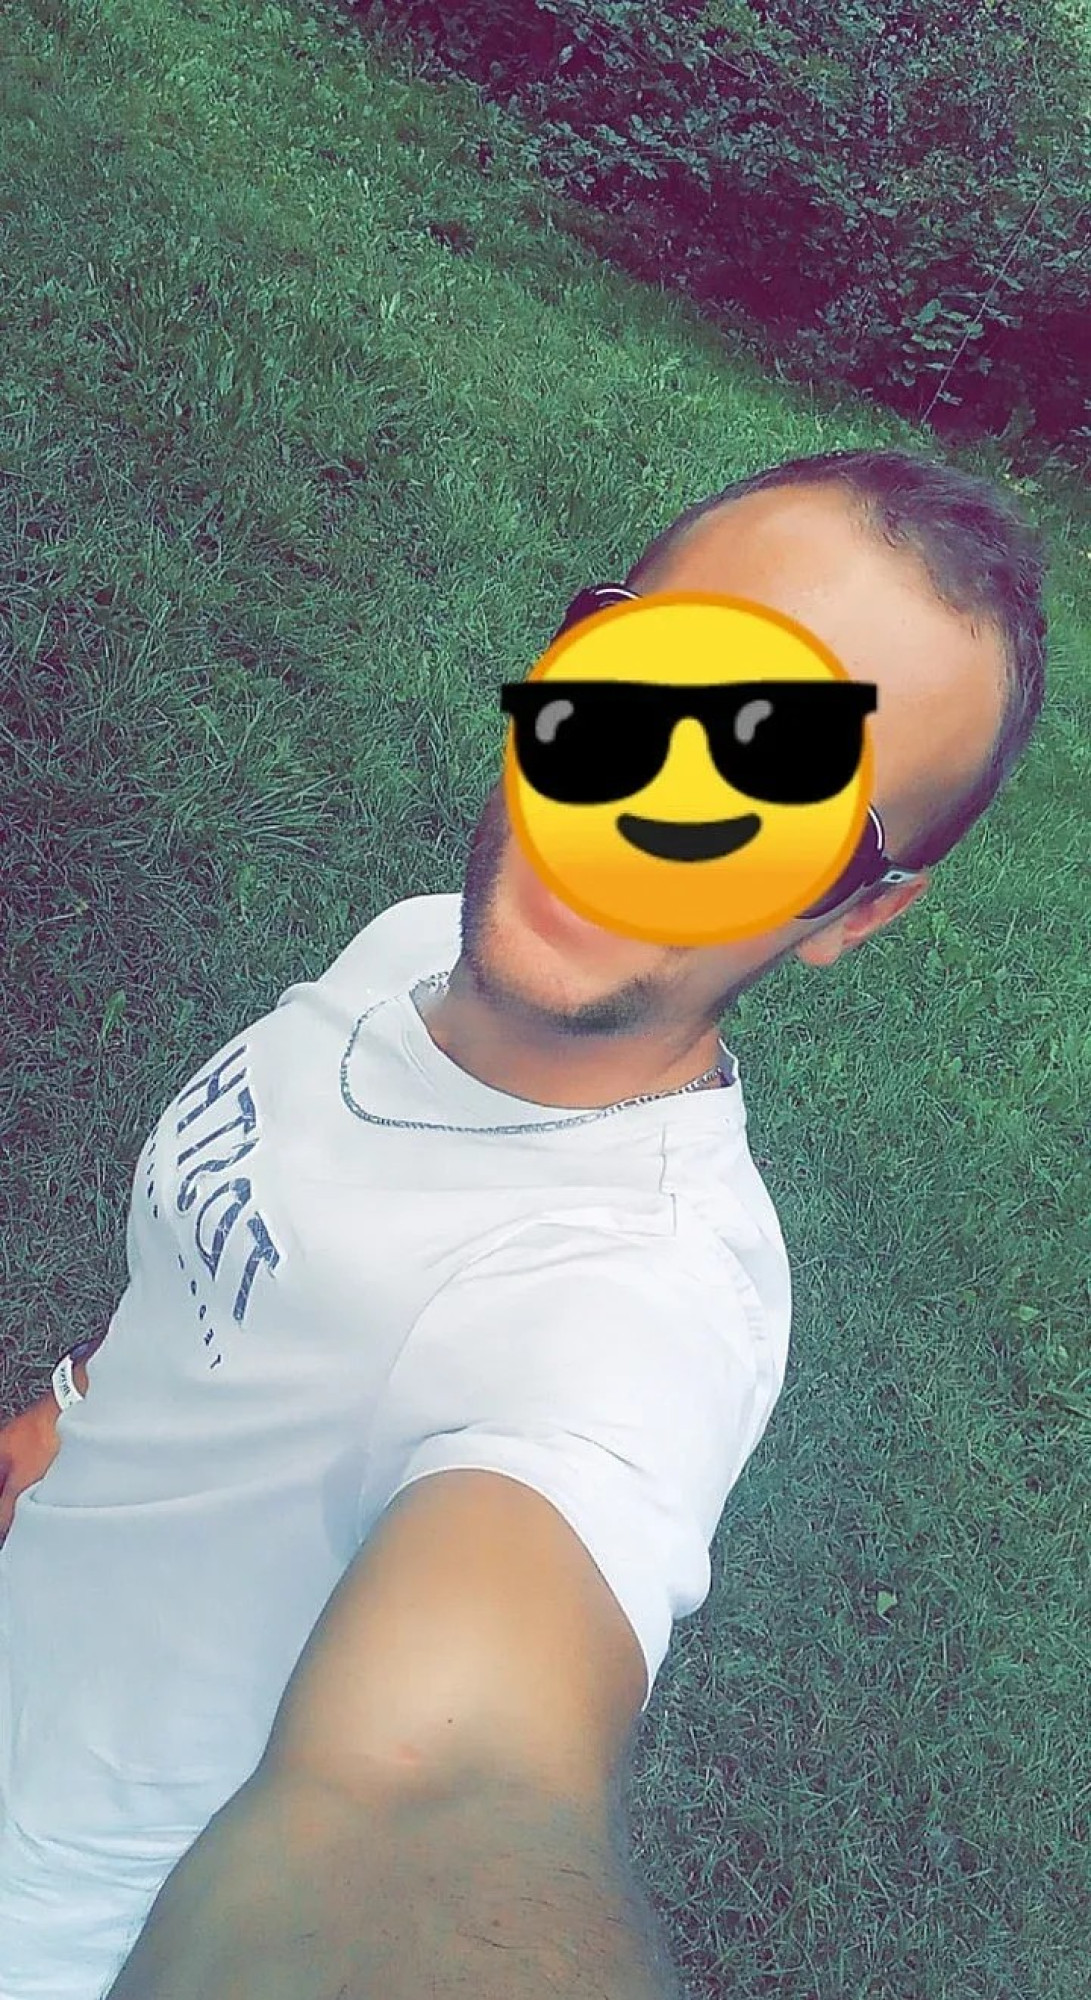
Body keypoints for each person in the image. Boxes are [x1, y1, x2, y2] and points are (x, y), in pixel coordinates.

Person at [0, 448, 1048, 1999]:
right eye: (647, 685)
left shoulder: (624, 1308)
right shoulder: (416, 945)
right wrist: (77, 1409)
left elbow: (449, 1797)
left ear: (858, 907)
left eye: (785, 789)